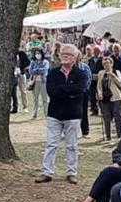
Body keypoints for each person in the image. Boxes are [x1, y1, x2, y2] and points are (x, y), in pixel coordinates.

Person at [36, 45, 89, 184]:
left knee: (72, 145)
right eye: (63, 53)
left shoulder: (80, 74)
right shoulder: (53, 73)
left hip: (73, 115)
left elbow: (80, 89)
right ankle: (47, 172)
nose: (65, 56)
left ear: (75, 58)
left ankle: (72, 173)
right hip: (54, 114)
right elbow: (51, 92)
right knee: (50, 144)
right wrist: (69, 92)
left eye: (69, 54)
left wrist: (62, 90)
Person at [95, 56, 121, 141]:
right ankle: (108, 136)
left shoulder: (116, 72)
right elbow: (99, 86)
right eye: (104, 64)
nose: (106, 65)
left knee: (117, 116)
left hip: (115, 97)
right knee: (106, 117)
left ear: (111, 64)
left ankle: (119, 135)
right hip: (105, 98)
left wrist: (113, 76)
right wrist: (99, 95)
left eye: (108, 63)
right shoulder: (101, 73)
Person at [27, 48, 50, 119]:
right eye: (36, 54)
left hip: (43, 82)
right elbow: (30, 71)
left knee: (45, 99)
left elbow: (45, 70)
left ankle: (46, 113)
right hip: (35, 82)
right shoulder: (33, 62)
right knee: (35, 99)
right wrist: (38, 70)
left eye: (39, 53)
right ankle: (34, 113)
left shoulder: (45, 62)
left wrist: (36, 70)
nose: (38, 55)